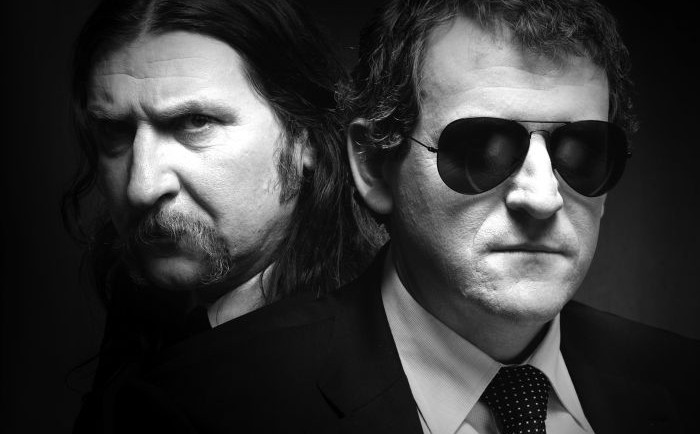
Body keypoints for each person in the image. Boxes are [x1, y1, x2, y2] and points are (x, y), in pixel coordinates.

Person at [102, 0, 699, 432]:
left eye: (582, 153)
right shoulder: (200, 408)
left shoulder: (683, 384)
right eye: (481, 150)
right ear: (373, 164)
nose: (543, 198)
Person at [64, 0, 380, 431]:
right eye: (115, 130)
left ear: (304, 137)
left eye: (195, 122)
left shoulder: (360, 365)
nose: (142, 187)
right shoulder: (148, 299)